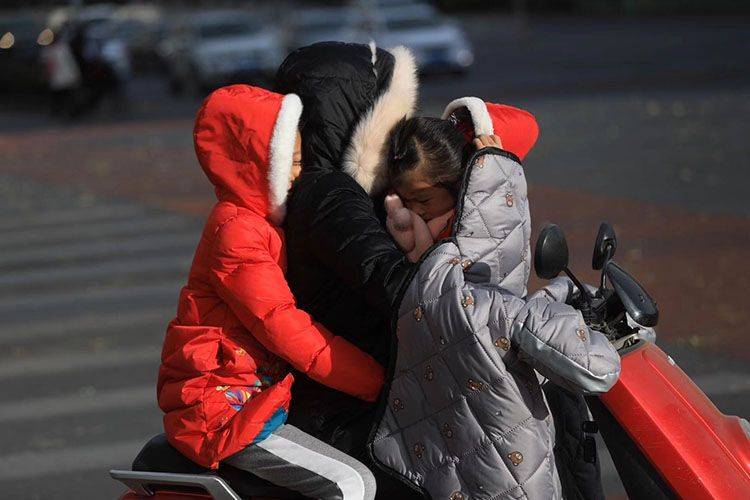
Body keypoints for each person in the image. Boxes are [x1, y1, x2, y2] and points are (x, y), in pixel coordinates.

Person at [367, 97, 620, 499]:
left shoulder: (438, 279)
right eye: (403, 203)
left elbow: (510, 314)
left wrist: (565, 294)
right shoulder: (459, 294)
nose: (408, 215)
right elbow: (598, 367)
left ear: (463, 190)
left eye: (421, 202)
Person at [157, 84, 384, 499]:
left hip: (256, 392)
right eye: (291, 163)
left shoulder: (262, 222)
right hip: (222, 405)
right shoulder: (236, 230)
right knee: (350, 485)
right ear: (254, 164)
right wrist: (374, 379)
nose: (299, 174)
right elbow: (283, 325)